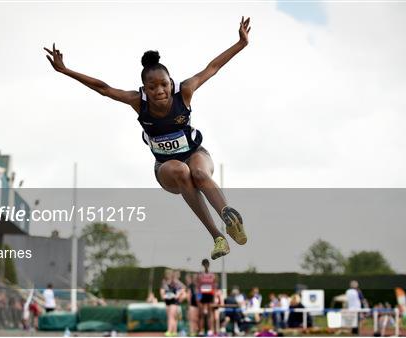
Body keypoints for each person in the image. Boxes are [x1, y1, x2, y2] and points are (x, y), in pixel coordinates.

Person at [45, 17, 251, 260]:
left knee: (197, 172)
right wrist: (65, 70)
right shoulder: (137, 101)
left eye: (163, 85)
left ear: (171, 82)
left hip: (196, 153)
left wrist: (241, 44)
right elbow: (103, 88)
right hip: (165, 166)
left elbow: (212, 67)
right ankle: (217, 237)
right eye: (152, 87)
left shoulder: (184, 91)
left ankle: (228, 216)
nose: (159, 91)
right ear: (144, 88)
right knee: (181, 171)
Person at [160, 269, 185, 337]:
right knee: (171, 317)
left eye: (169, 274)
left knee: (172, 316)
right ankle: (174, 331)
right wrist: (163, 295)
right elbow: (162, 291)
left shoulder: (175, 282)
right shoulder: (164, 282)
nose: (168, 275)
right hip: (167, 301)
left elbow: (183, 288)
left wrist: (179, 295)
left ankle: (169, 331)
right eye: (167, 274)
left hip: (174, 301)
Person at [196, 259, 218, 335]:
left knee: (209, 313)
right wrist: (198, 298)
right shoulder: (199, 275)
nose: (205, 266)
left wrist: (215, 297)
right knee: (201, 314)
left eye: (207, 264)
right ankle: (201, 330)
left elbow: (214, 286)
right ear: (202, 265)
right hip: (202, 295)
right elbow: (198, 287)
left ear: (208, 265)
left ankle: (210, 330)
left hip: (210, 295)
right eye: (204, 264)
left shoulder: (212, 275)